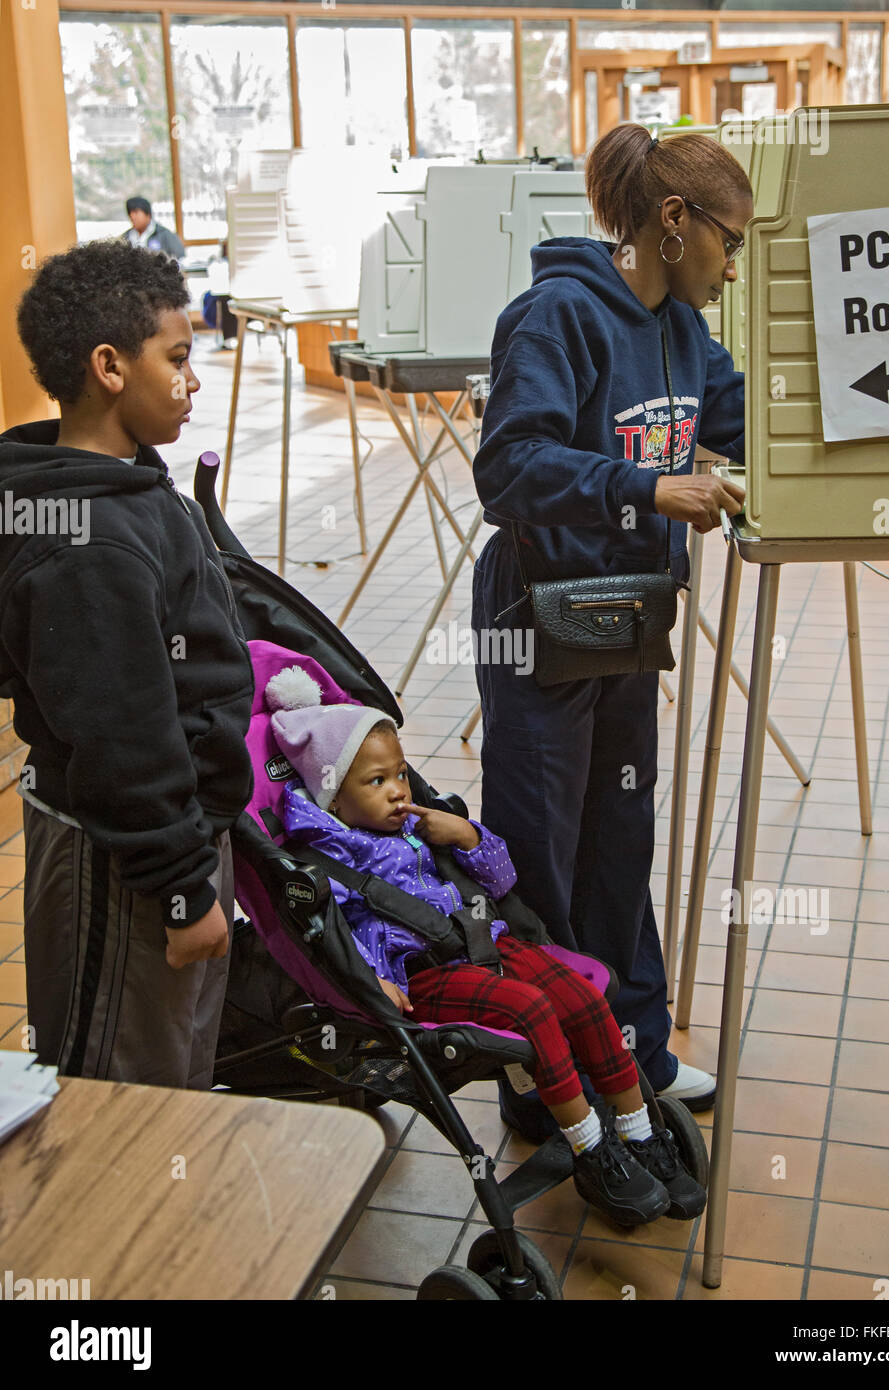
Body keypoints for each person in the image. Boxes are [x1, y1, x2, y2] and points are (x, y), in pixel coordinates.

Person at [470, 125, 752, 1140]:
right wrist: (644, 484)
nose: (735, 263)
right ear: (673, 223)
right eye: (731, 238)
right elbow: (507, 467)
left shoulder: (682, 328)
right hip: (539, 617)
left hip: (628, 611)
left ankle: (633, 1048)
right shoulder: (554, 317)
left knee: (619, 841)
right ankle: (538, 1072)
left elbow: (745, 414)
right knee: (539, 852)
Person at [267, 670, 706, 1228]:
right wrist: (368, 980)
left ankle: (642, 1133)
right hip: (421, 973)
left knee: (585, 1000)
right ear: (331, 798)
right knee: (534, 1013)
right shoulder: (330, 862)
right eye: (376, 781)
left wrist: (469, 837)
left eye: (400, 773)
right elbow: (340, 932)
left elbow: (500, 883)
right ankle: (592, 1150)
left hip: (491, 941)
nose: (399, 789)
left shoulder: (417, 828)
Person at [1, 239, 254, 1088]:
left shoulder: (131, 486)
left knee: (177, 1077)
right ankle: (124, 1227)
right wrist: (182, 887)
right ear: (110, 367)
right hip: (127, 866)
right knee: (121, 1099)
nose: (192, 380)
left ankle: (174, 1220)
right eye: (177, 358)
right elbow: (123, 733)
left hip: (175, 840)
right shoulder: (85, 543)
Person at [122, 196, 186, 260]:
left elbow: (180, 258)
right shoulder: (125, 238)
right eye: (130, 213)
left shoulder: (165, 234)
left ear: (148, 214)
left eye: (136, 212)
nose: (132, 216)